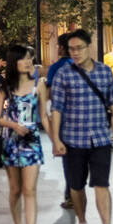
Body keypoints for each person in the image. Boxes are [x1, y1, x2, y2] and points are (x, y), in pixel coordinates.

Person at [49, 28, 113, 224]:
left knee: (101, 184)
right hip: (72, 140)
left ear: (89, 47)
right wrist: (56, 140)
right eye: (71, 49)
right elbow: (56, 109)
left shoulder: (104, 72)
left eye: (79, 48)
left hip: (100, 139)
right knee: (76, 186)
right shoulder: (63, 74)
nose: (75, 53)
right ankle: (82, 223)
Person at [0, 44, 44, 224]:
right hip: (12, 142)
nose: (28, 62)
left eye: (30, 58)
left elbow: (45, 117)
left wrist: (57, 141)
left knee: (29, 189)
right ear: (14, 62)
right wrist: (14, 125)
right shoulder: (5, 88)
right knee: (15, 189)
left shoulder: (38, 85)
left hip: (32, 142)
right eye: (24, 58)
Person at [41, 32, 74, 209]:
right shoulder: (81, 65)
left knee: (68, 158)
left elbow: (50, 94)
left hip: (63, 118)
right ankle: (77, 190)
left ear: (61, 48)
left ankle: (71, 194)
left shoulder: (56, 68)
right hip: (82, 118)